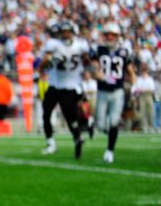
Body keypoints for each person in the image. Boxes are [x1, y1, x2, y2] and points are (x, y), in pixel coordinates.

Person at [38, 20, 90, 158]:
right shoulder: (75, 44)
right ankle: (53, 142)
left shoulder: (63, 44)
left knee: (69, 116)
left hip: (68, 86)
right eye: (63, 32)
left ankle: (77, 136)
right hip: (56, 85)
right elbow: (87, 61)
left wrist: (42, 69)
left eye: (67, 32)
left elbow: (45, 61)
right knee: (47, 113)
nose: (65, 35)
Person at [91, 22, 133, 163]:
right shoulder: (98, 50)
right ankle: (103, 131)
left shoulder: (124, 51)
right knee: (102, 125)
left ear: (117, 36)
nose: (109, 37)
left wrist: (134, 83)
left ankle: (110, 151)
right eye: (107, 34)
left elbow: (131, 71)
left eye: (112, 35)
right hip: (102, 91)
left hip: (118, 92)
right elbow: (95, 68)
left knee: (114, 121)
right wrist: (99, 75)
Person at [132, 65, 157, 132]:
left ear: (146, 71)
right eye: (142, 71)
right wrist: (136, 96)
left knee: (150, 112)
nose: (143, 72)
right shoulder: (139, 79)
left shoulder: (150, 79)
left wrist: (142, 90)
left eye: (144, 71)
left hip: (148, 96)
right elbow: (135, 89)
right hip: (141, 97)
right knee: (142, 113)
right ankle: (143, 127)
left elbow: (152, 89)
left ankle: (151, 126)